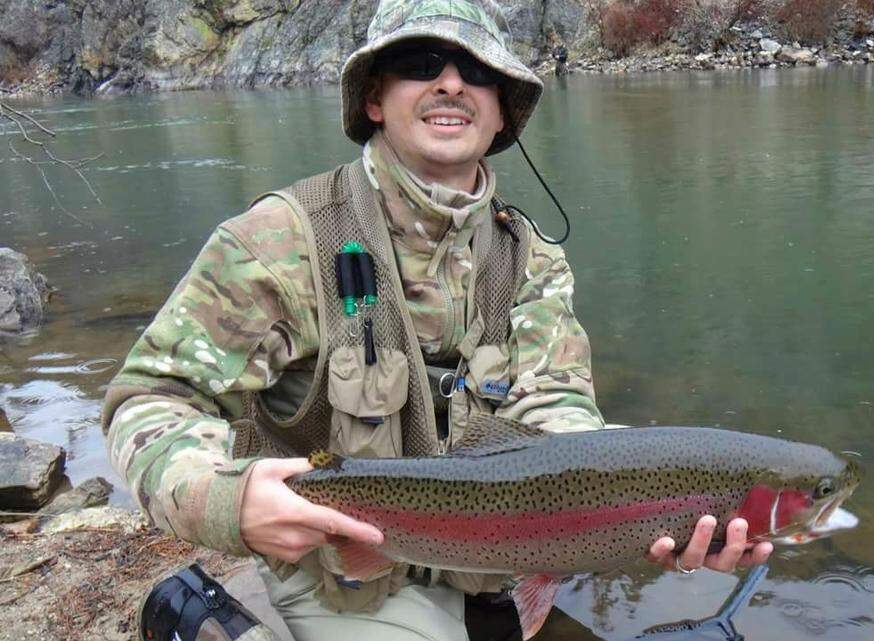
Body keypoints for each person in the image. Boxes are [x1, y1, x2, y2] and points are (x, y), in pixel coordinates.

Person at [102, 0, 772, 639]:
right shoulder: (283, 238)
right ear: (373, 99)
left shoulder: (530, 258)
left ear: (503, 112)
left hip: (491, 563)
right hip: (344, 568)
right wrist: (230, 500)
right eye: (421, 63)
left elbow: (557, 414)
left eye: (479, 72)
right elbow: (149, 399)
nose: (452, 83)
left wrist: (646, 502)